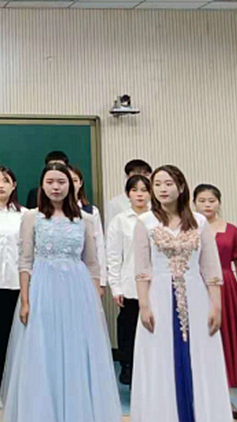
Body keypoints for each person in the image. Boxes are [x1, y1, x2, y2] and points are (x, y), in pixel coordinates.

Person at [2, 163, 121, 422]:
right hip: (42, 289)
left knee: (76, 349)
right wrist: (25, 300)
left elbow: (92, 263)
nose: (55, 187)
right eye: (50, 182)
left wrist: (94, 300)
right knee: (43, 349)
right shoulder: (31, 217)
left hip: (78, 290)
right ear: (42, 186)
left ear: (71, 185)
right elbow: (25, 261)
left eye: (61, 182)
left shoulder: (85, 219)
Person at [131, 166, 232, 422]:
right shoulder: (145, 222)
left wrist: (216, 305)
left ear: (181, 187)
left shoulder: (199, 222)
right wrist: (144, 305)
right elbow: (142, 270)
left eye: (168, 183)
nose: (162, 189)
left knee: (201, 356)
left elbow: (210, 267)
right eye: (157, 184)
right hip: (158, 297)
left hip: (196, 297)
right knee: (160, 357)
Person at [194, 184, 237, 420]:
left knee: (227, 343)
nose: (207, 205)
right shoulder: (190, 229)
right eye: (202, 200)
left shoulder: (232, 231)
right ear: (194, 203)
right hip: (198, 286)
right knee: (201, 340)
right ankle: (200, 397)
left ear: (219, 203)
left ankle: (226, 399)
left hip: (227, 289)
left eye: (211, 200)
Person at [0, 166, 27, 410]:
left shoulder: (25, 215)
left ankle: (17, 388)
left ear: (14, 185)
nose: (1, 185)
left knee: (19, 340)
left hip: (18, 285)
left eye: (6, 181)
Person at [106, 174, 151, 386]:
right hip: (129, 285)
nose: (139, 194)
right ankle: (128, 367)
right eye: (135, 190)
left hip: (155, 285)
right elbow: (113, 255)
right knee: (129, 329)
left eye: (144, 190)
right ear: (127, 194)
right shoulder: (120, 220)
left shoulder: (158, 219)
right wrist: (116, 287)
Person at [70, 165, 107, 297]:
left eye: (75, 180)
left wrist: (101, 281)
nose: (71, 185)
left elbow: (99, 246)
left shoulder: (91, 212)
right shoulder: (50, 212)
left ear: (80, 183)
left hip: (86, 275)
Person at [105, 159, 152, 231]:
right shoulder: (115, 202)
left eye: (145, 174)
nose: (140, 177)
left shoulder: (156, 200)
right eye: (136, 173)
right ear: (127, 176)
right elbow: (110, 229)